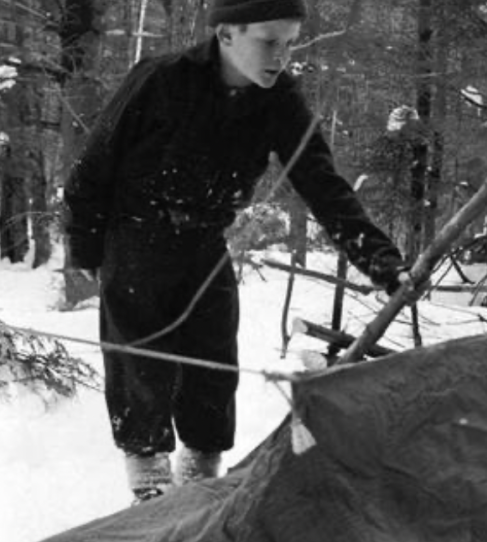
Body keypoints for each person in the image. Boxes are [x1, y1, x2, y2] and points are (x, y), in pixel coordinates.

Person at [63, 0, 409, 504]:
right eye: (268, 41)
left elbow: (323, 185)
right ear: (226, 35)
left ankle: (203, 474)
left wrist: (380, 259)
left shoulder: (280, 100)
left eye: (289, 43)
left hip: (205, 240)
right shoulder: (160, 80)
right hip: (136, 236)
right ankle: (149, 486)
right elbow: (93, 169)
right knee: (142, 362)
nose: (280, 56)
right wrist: (86, 251)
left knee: (214, 358)